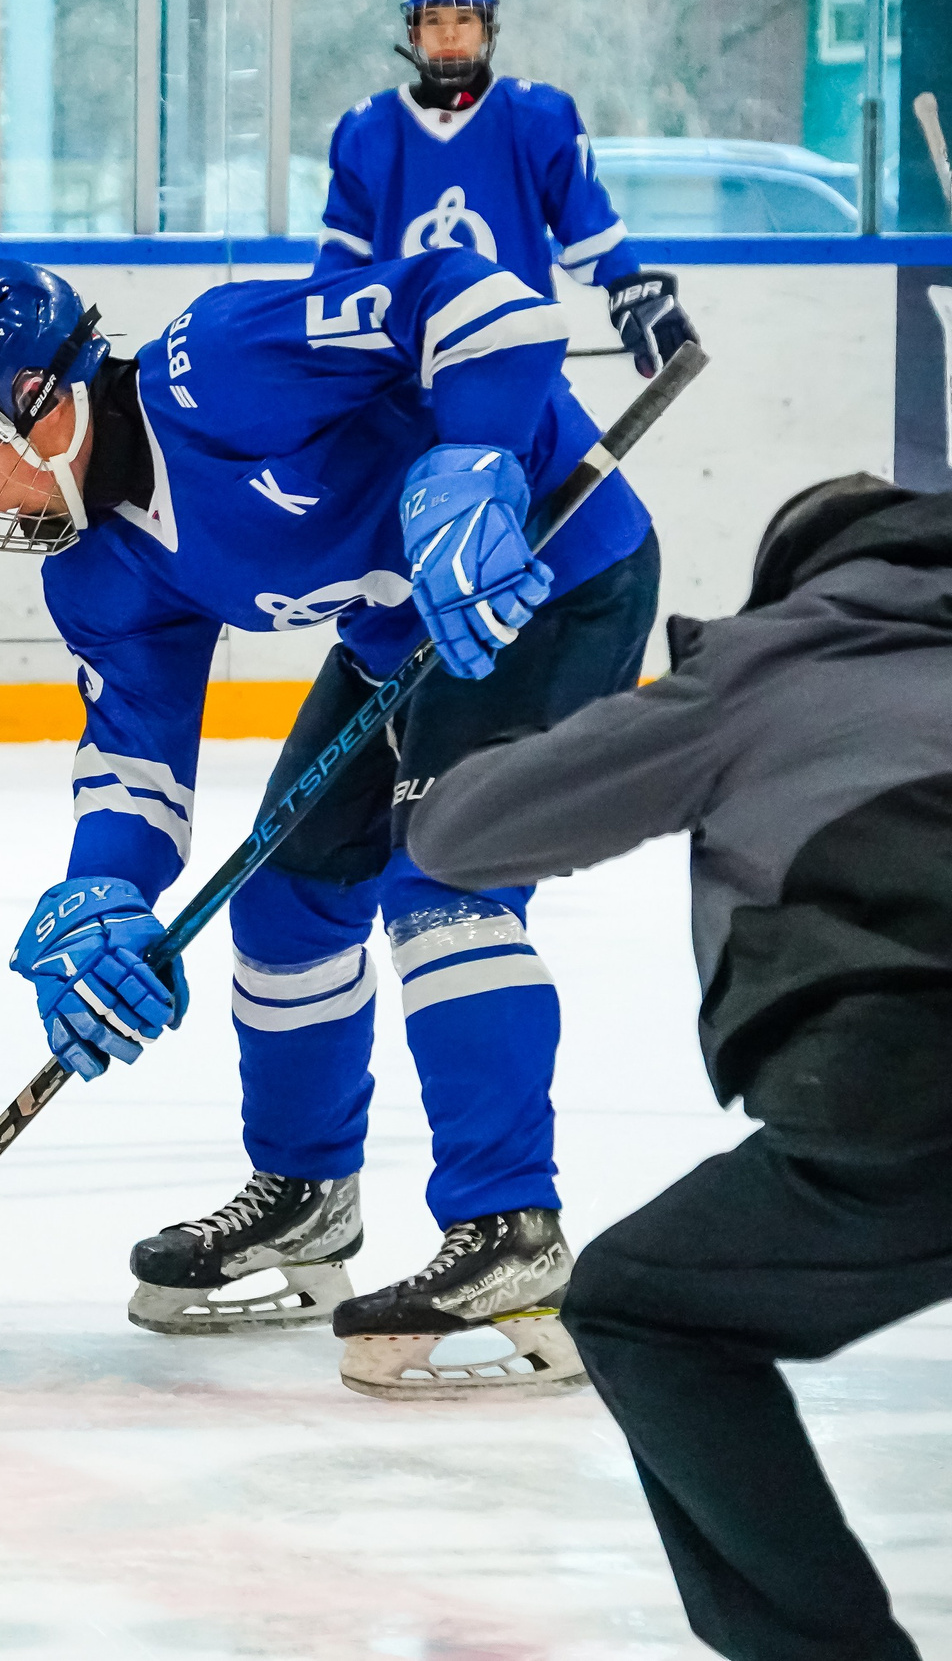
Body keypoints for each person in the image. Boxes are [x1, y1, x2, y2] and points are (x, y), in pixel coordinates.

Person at [0, 247, 657, 1399]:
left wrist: (476, 456)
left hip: (548, 577)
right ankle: (305, 1199)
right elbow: (136, 763)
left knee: (443, 879)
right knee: (289, 902)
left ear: (39, 401)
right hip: (401, 636)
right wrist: (101, 895)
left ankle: (509, 1230)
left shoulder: (225, 365)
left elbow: (478, 299)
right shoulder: (99, 571)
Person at [407, 473, 952, 1658]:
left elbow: (460, 837)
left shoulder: (770, 664)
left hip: (902, 1082)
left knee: (645, 1311)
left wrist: (456, 738)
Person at [319, 0, 699, 380]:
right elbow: (342, 263)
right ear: (414, 31)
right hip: (399, 379)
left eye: (464, 19)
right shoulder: (367, 130)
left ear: (488, 28)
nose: (448, 33)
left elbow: (588, 230)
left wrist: (631, 291)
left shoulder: (539, 118)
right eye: (433, 20)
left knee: (576, 449)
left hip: (518, 366)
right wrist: (316, 344)